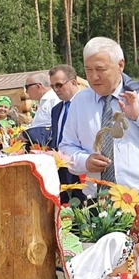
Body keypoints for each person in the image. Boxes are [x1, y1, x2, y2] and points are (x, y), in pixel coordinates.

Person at [60, 37, 139, 274]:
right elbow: (65, 148)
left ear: (121, 65)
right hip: (98, 205)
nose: (94, 76)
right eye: (88, 70)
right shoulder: (80, 102)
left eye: (100, 69)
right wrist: (85, 161)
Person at [48, 64, 83, 204]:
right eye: (52, 86)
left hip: (81, 166)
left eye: (59, 85)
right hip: (61, 169)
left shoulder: (87, 105)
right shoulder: (56, 109)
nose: (56, 90)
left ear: (73, 82)